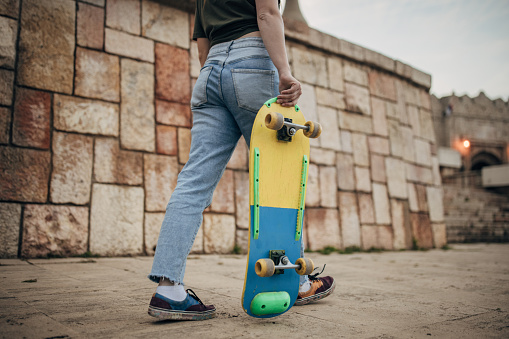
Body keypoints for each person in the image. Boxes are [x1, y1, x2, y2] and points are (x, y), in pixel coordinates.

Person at [148, 0, 335, 321]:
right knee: (281, 178)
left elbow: (203, 46)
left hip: (209, 75)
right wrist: (285, 71)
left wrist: (220, 79)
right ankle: (300, 280)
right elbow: (267, 13)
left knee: (193, 183)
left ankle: (168, 289)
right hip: (252, 62)